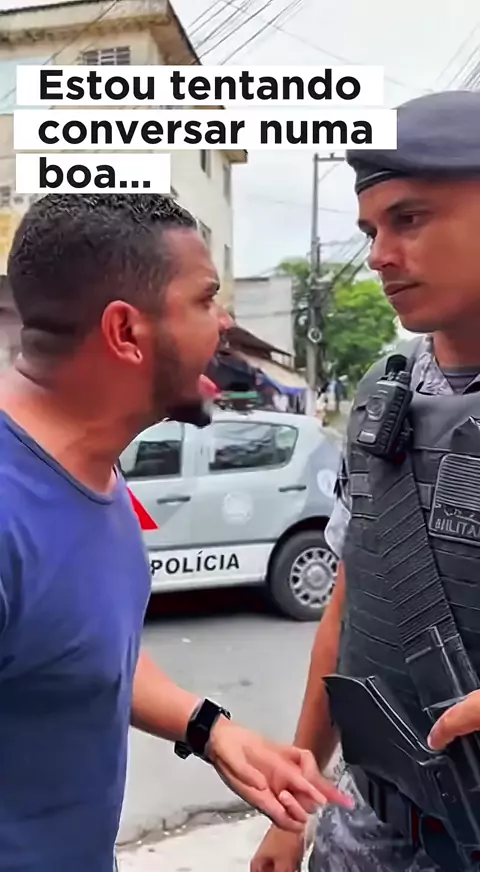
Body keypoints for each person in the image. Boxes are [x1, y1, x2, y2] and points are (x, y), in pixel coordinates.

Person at [0, 193, 351, 872]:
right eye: (205, 299)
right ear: (126, 332)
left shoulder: (93, 470)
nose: (225, 323)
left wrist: (210, 729)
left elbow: (82, 650)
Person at [252, 89, 480, 872]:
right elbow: (350, 607)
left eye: (409, 219)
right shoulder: (385, 399)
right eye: (371, 230)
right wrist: (296, 804)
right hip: (366, 832)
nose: (380, 254)